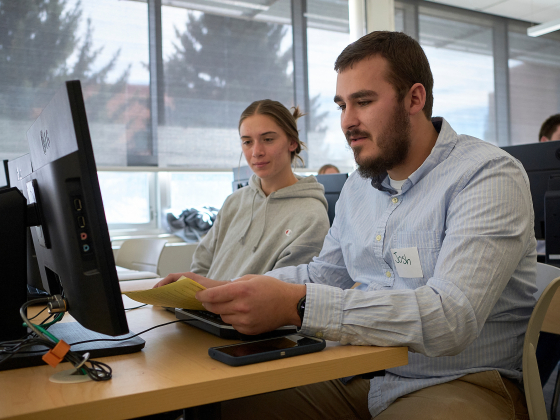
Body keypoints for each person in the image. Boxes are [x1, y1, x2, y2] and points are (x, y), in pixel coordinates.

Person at [160, 32, 536, 419]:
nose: (347, 121)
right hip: (363, 375)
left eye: (364, 101)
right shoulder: (359, 186)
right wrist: (232, 289)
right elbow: (325, 272)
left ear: (415, 98)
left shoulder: (486, 175)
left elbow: (449, 317)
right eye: (342, 105)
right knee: (221, 403)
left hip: (460, 382)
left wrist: (298, 305)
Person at [157, 100, 329, 284]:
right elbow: (201, 267)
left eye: (268, 139)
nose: (256, 152)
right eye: (247, 142)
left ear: (292, 143)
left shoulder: (311, 216)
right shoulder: (234, 202)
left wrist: (211, 292)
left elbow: (281, 294)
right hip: (208, 309)